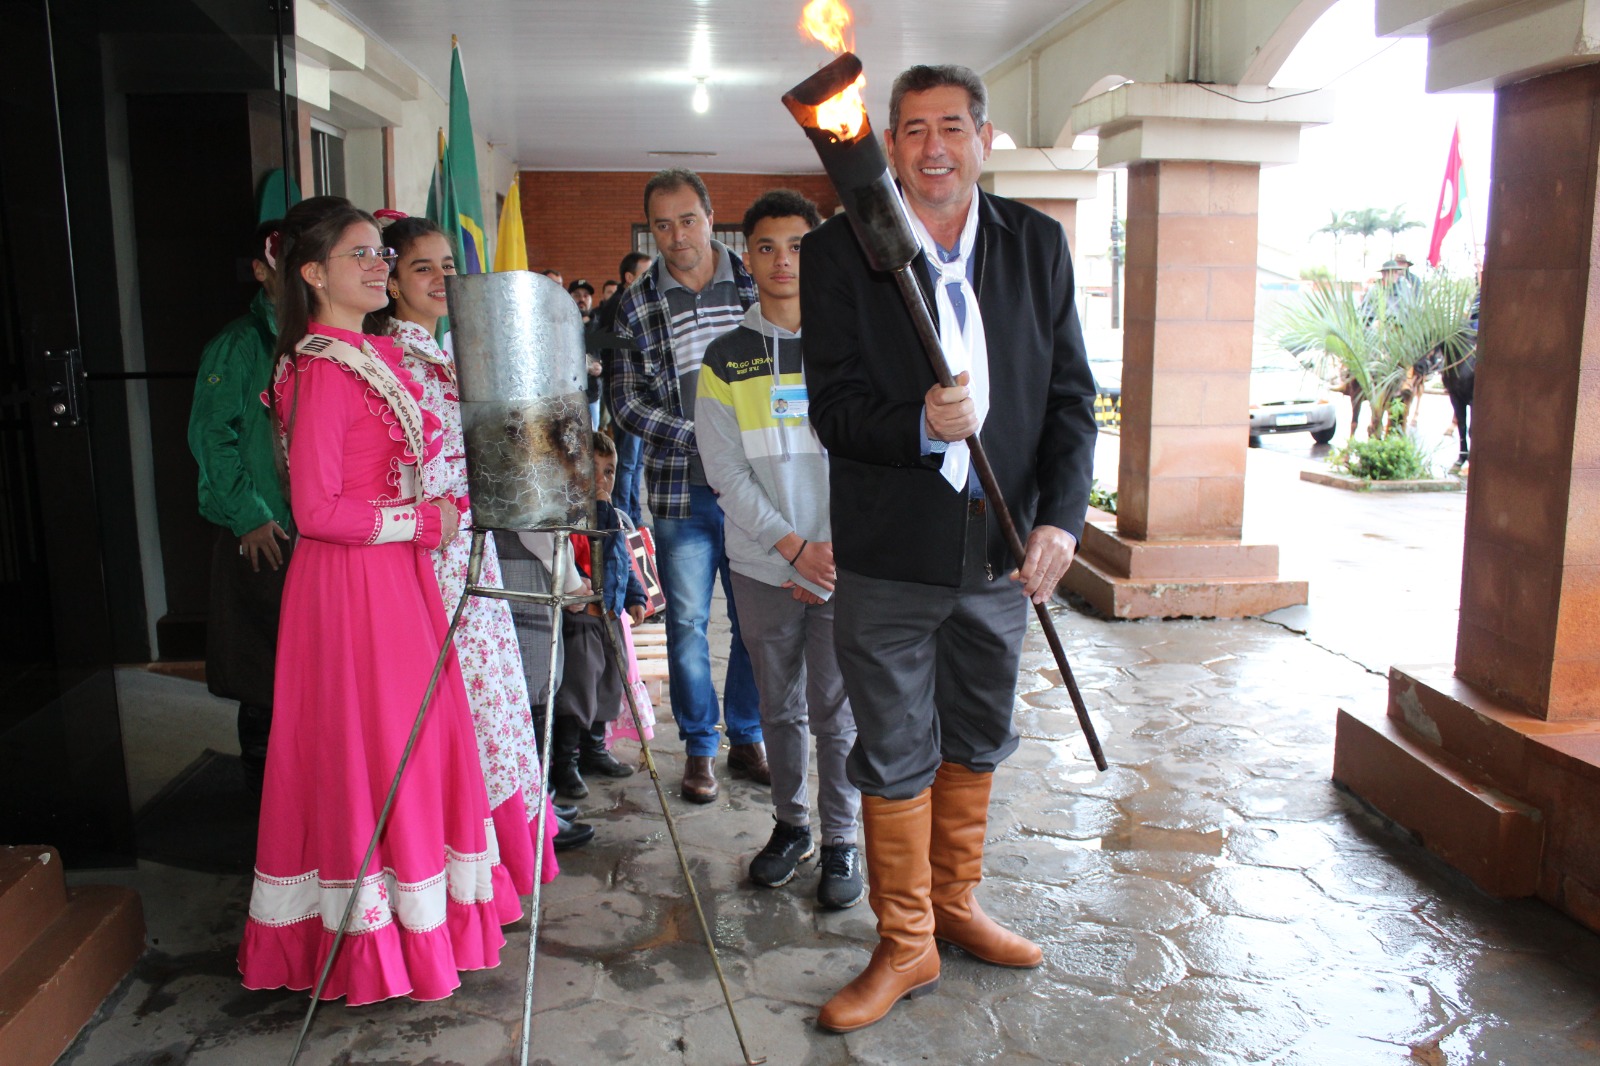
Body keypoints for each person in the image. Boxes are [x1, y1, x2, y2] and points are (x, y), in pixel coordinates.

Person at [802, 65, 1098, 1032]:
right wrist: (923, 425)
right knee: (892, 751)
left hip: (1001, 556)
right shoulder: (841, 252)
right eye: (914, 130)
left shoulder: (1037, 245)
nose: (935, 149)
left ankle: (957, 906)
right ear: (889, 143)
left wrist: (1060, 518)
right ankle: (904, 942)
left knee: (975, 737)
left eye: (952, 128)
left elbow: (1069, 400)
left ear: (984, 137)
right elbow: (838, 411)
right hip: (889, 555)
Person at [238, 196, 514, 1004]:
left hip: (392, 577)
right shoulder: (324, 366)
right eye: (360, 255)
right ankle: (372, 943)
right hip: (355, 582)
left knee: (410, 747)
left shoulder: (362, 354)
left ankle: (409, 929)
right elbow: (315, 510)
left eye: (377, 253)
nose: (378, 265)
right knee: (380, 752)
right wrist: (423, 521)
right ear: (313, 273)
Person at [370, 214, 585, 868]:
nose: (439, 280)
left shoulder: (443, 350)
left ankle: (503, 845)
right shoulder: (395, 360)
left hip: (469, 544)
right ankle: (466, 856)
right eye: (421, 268)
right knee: (458, 705)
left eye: (446, 266)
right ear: (393, 281)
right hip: (427, 557)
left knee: (491, 697)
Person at [697, 190, 864, 909]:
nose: (782, 260)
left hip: (845, 561)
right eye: (765, 247)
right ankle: (792, 826)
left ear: (819, 253)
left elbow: (871, 457)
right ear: (748, 258)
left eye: (797, 245)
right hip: (765, 561)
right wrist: (793, 547)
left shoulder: (854, 340)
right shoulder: (727, 356)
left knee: (837, 711)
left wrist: (828, 551)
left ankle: (841, 841)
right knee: (779, 707)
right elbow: (724, 470)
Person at [611, 168, 766, 803]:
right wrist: (701, 437)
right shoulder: (638, 303)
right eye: (662, 225)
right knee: (688, 627)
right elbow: (625, 402)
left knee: (757, 623)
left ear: (710, 216)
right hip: (682, 493)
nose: (677, 236)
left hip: (759, 491)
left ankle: (749, 735)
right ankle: (701, 747)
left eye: (688, 220)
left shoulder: (758, 285)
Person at [187, 219, 291, 795]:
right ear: (261, 270)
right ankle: (263, 793)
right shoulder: (239, 343)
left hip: (314, 528)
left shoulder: (320, 338)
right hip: (262, 527)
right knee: (261, 669)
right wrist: (249, 513)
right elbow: (212, 435)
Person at [549, 433, 647, 800]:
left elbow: (622, 559)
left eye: (610, 471)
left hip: (609, 615)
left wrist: (635, 594)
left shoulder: (613, 515)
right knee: (577, 689)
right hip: (582, 616)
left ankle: (594, 749)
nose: (603, 480)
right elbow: (590, 548)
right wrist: (603, 507)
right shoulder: (574, 514)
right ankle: (566, 760)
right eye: (594, 471)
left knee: (608, 683)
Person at [596, 251, 652, 525]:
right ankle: (623, 518)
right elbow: (609, 344)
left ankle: (635, 518)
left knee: (636, 461)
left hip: (639, 390)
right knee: (627, 461)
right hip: (624, 391)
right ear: (629, 277)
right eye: (646, 273)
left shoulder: (635, 302)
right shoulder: (619, 304)